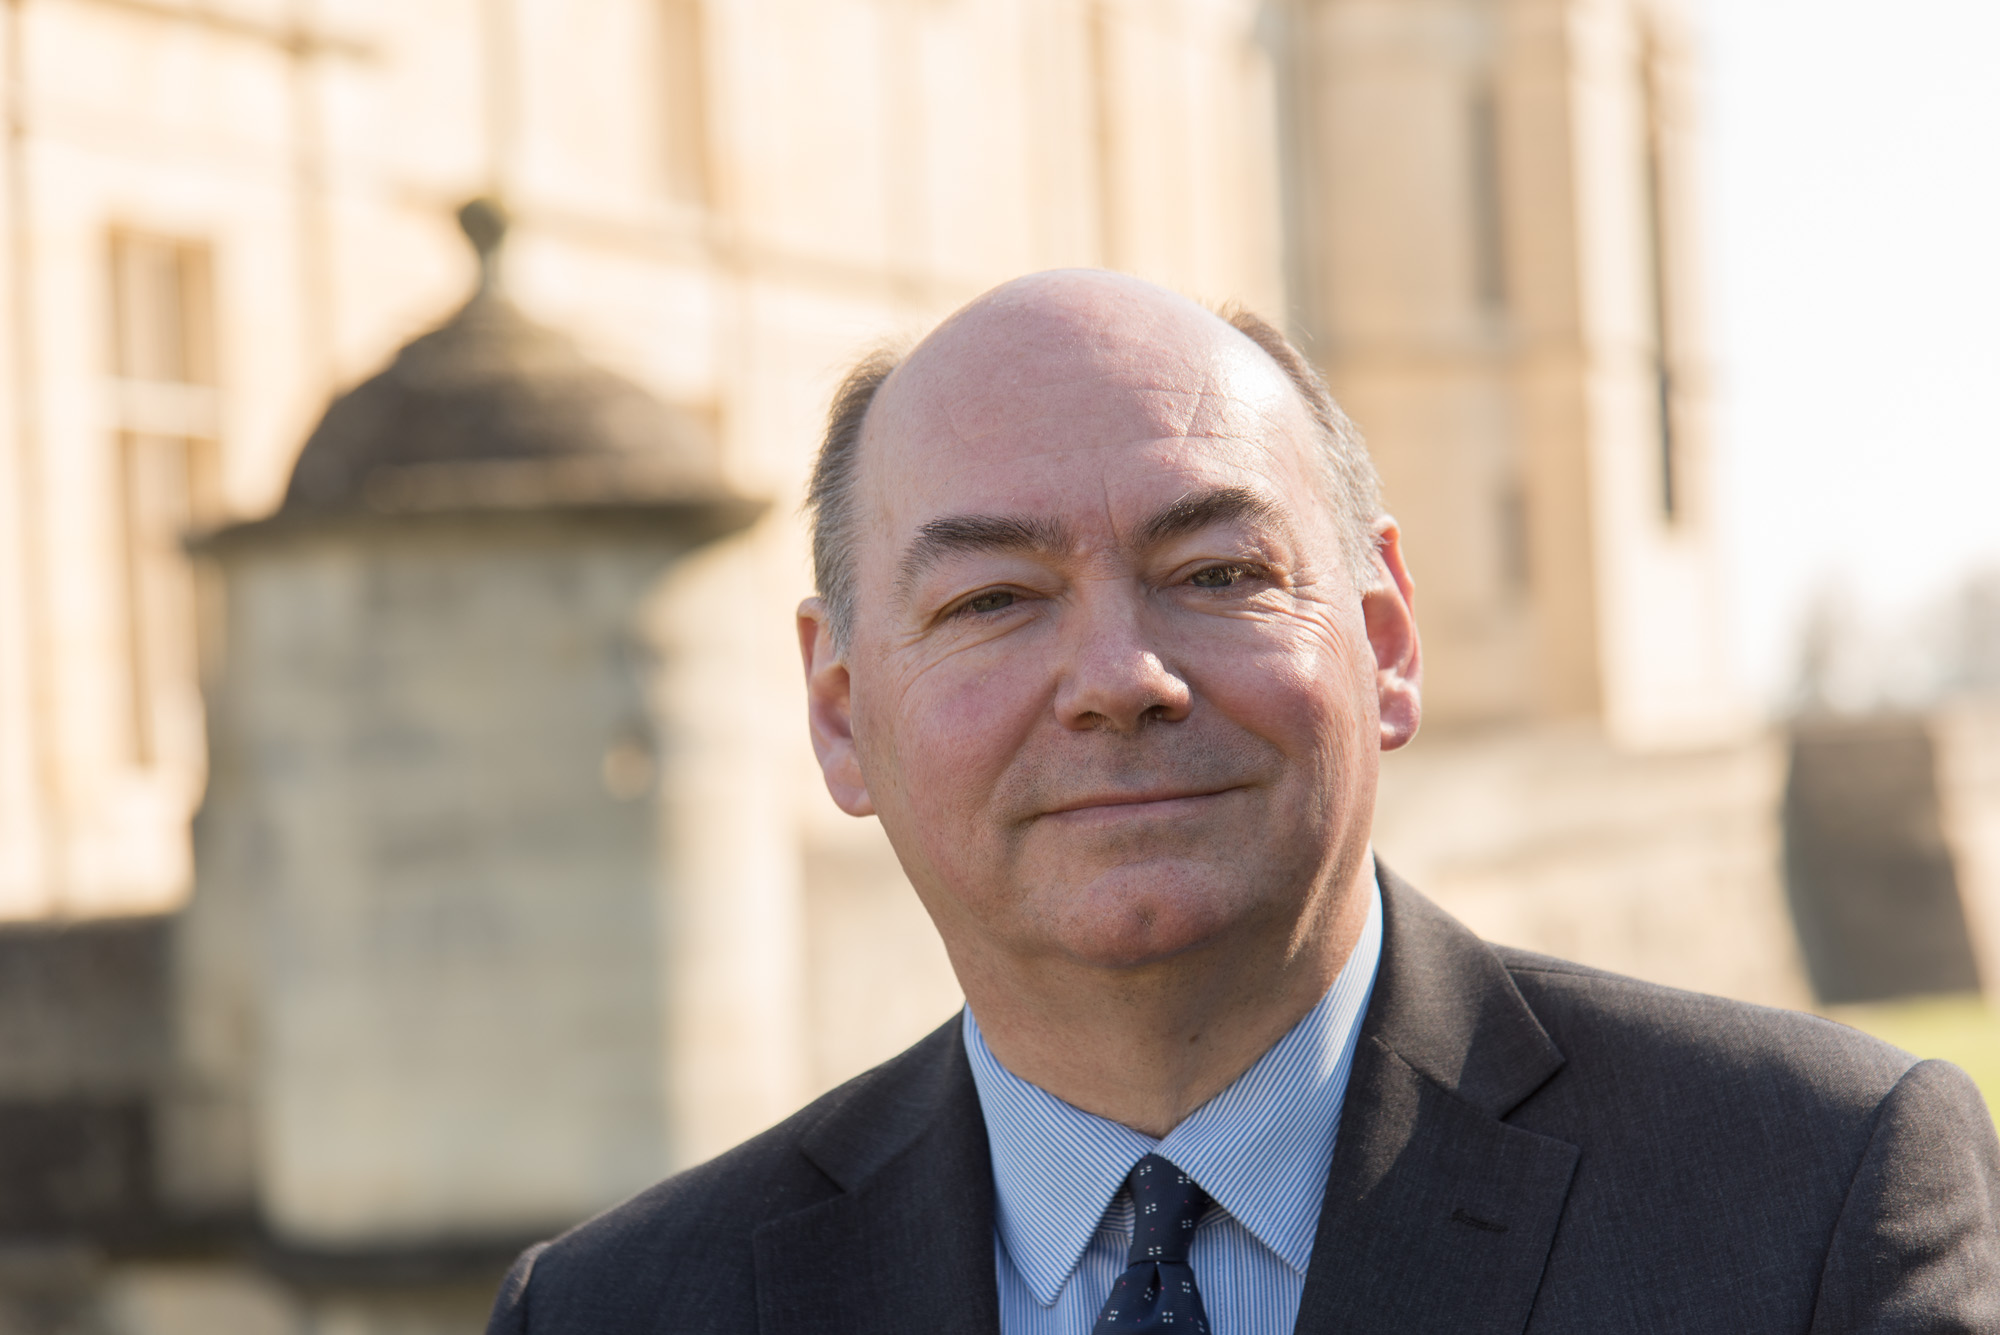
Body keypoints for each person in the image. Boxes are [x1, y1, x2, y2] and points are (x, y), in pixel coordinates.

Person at [486, 271, 1999, 1333]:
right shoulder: (621, 1310)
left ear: (1386, 640)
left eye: (1217, 574)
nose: (1117, 676)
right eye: (996, 598)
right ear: (839, 713)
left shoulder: (1811, 1205)